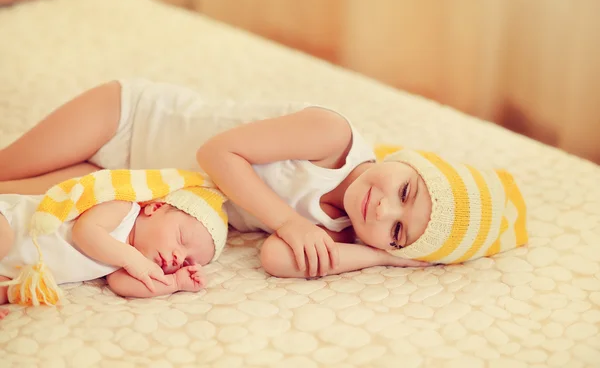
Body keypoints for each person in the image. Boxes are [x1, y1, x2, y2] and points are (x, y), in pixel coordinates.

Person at [0, 79, 528, 281]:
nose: (383, 209)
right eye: (406, 192)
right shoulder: (333, 136)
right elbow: (217, 152)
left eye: (398, 231)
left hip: (129, 185)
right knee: (7, 168)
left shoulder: (346, 228)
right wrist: (288, 223)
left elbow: (276, 259)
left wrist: (382, 256)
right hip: (133, 119)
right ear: (410, 161)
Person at [0, 168, 229, 319]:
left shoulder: (125, 263)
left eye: (187, 260)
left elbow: (122, 285)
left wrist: (174, 282)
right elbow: (85, 232)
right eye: (181, 238)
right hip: (9, 221)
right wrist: (132, 259)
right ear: (154, 208)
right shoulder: (123, 208)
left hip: (12, 268)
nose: (179, 256)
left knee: (6, 291)